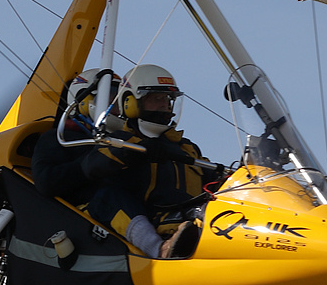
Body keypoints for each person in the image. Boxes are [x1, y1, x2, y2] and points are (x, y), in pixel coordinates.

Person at [31, 64, 220, 258]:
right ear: (84, 101)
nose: (115, 106)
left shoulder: (175, 145)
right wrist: (126, 155)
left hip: (167, 215)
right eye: (109, 97)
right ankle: (158, 250)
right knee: (109, 197)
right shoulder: (62, 138)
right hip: (92, 217)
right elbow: (48, 181)